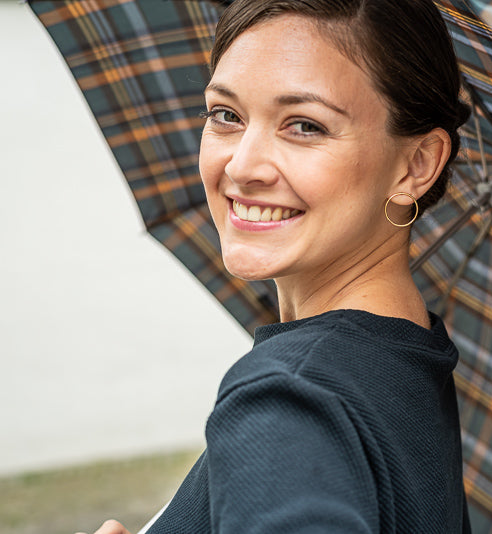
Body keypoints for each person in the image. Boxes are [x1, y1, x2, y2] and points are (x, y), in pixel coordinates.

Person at [78, 0, 471, 532]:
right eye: (226, 115)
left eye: (305, 125)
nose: (241, 165)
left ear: (417, 164)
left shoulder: (290, 392)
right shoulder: (404, 362)